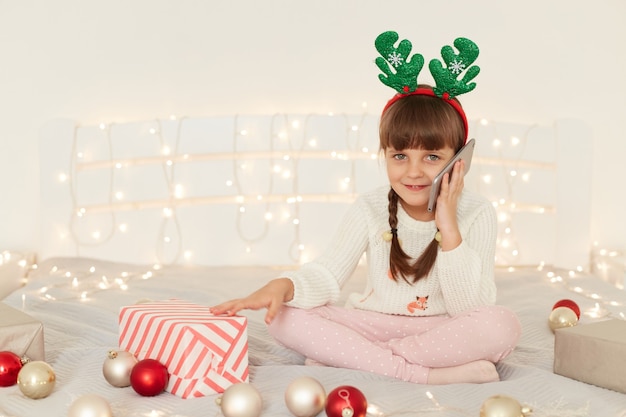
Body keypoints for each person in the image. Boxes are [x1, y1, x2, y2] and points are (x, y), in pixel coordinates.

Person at [211, 32, 521, 385]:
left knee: (502, 325)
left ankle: (356, 359)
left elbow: (470, 308)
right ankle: (420, 374)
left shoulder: (479, 213)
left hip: (440, 330)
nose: (414, 171)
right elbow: (328, 274)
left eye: (433, 157)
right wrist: (284, 285)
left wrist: (448, 225)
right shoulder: (370, 207)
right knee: (284, 317)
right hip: (372, 325)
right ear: (384, 155)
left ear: (459, 161)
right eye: (400, 156)